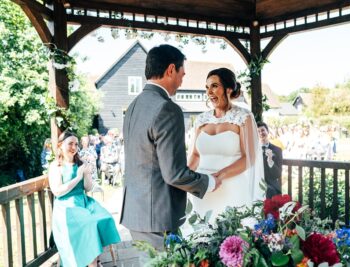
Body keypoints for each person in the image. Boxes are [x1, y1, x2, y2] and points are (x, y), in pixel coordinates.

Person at [121, 44, 222, 250]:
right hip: (158, 216)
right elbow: (174, 174)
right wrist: (209, 182)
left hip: (136, 213)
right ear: (170, 70)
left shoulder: (133, 106)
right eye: (182, 74)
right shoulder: (167, 109)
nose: (181, 81)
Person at [186, 67, 264, 221]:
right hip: (202, 190)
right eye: (207, 87)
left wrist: (219, 177)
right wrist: (185, 179)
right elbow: (195, 154)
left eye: (214, 86)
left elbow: (249, 157)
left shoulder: (244, 117)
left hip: (232, 188)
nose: (209, 92)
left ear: (228, 89)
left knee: (231, 238)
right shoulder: (201, 119)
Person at [48, 131, 120, 267]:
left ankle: (95, 260)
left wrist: (86, 175)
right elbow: (57, 191)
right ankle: (92, 261)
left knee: (104, 218)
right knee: (90, 224)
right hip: (66, 208)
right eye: (70, 144)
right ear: (60, 146)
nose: (74, 147)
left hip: (83, 202)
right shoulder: (56, 166)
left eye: (76, 144)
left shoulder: (80, 163)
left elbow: (87, 188)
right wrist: (77, 177)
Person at [257, 121, 283, 198]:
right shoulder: (254, 150)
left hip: (271, 184)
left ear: (267, 131)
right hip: (257, 182)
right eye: (258, 131)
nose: (261, 133)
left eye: (262, 130)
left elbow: (278, 174)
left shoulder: (277, 150)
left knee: (270, 191)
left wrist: (270, 161)